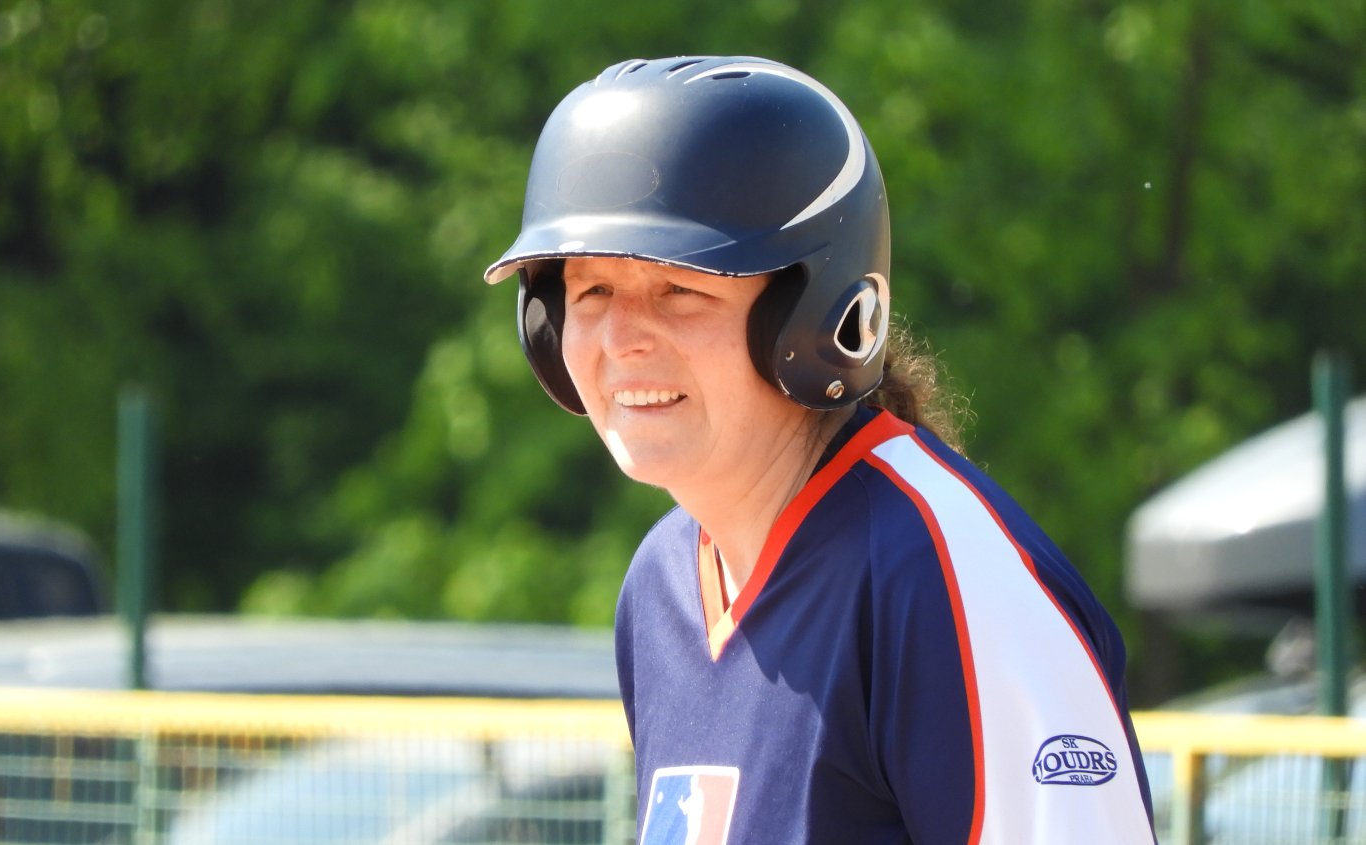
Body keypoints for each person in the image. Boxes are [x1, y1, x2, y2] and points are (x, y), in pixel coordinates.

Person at [484, 55, 1155, 844]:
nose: (620, 339)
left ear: (818, 317)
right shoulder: (661, 586)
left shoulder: (937, 572)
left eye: (680, 289)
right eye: (591, 291)